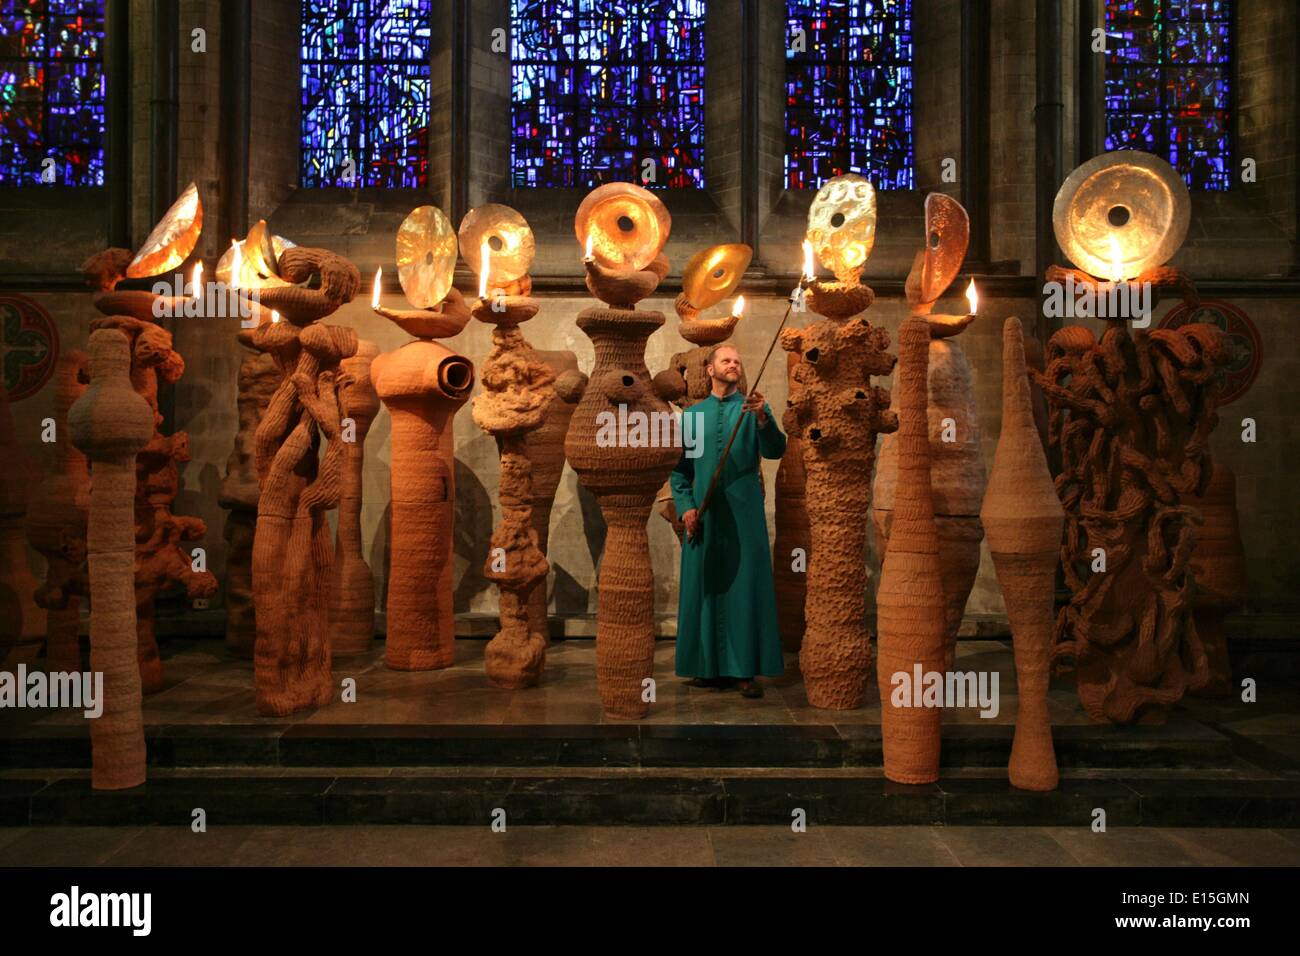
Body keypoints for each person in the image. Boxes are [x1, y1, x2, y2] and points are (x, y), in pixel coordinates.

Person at [670, 344, 787, 698]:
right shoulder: (691, 417)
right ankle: (706, 668)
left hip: (744, 514)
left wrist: (764, 419)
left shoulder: (754, 410)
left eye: (738, 360)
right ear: (710, 370)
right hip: (705, 517)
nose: (734, 364)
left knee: (743, 587)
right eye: (727, 360)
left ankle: (743, 670)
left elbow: (775, 450)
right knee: (704, 585)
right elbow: (679, 472)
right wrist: (686, 506)